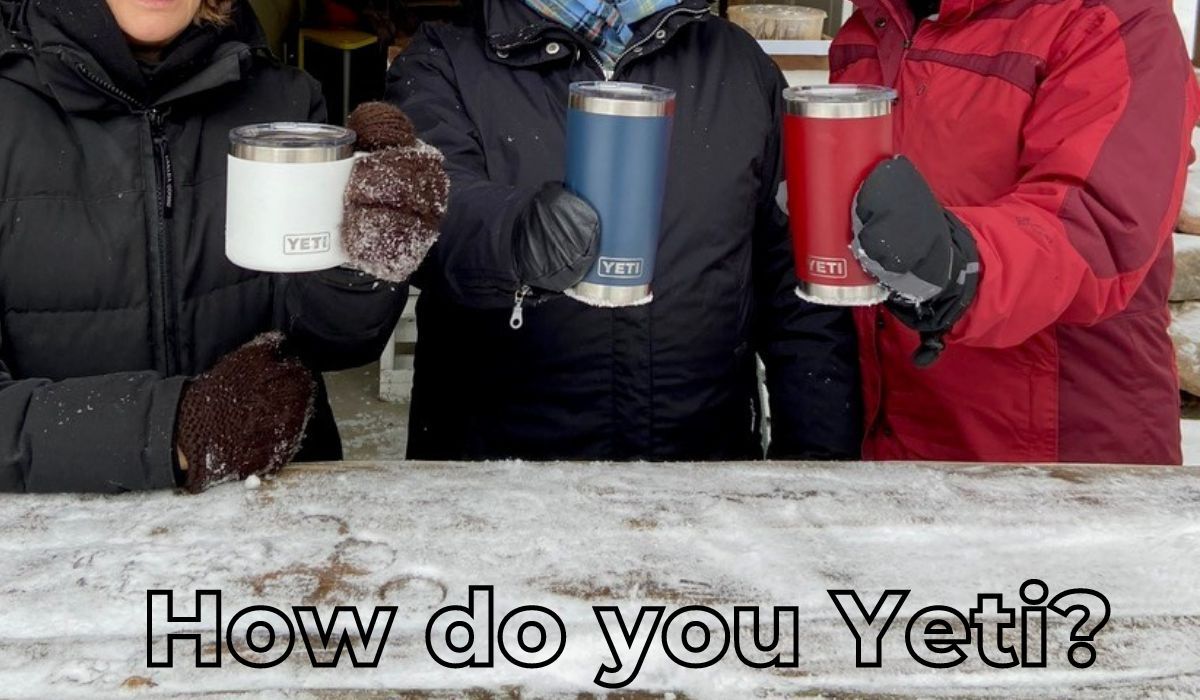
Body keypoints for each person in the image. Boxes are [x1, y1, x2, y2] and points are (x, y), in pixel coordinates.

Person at [386, 0, 862, 461]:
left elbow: (798, 299)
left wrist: (817, 466)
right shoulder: (444, 59)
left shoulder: (740, 66)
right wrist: (514, 232)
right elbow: (423, 216)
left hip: (705, 479)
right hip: (498, 481)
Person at [0, 0, 444, 492]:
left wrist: (367, 256)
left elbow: (330, 342)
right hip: (67, 545)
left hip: (272, 513)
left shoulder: (285, 105)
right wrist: (171, 433)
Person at [833, 0, 1200, 464]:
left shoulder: (1109, 15)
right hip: (897, 433)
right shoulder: (872, 26)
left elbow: (1098, 225)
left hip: (1058, 455)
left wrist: (957, 262)